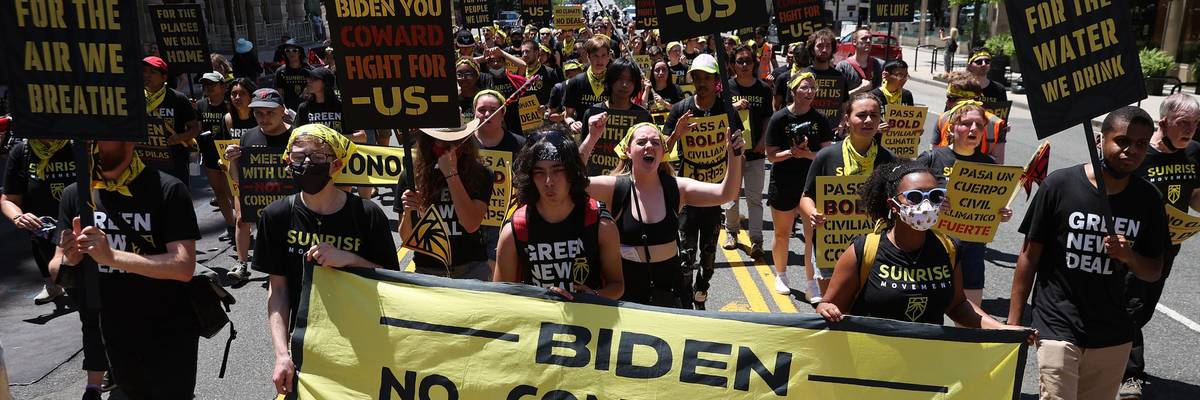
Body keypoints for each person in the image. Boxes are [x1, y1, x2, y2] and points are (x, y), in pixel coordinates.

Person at [1009, 107, 1167, 400]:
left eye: (1141, 144)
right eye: (1122, 141)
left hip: (1112, 331)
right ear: (1099, 140)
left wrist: (1128, 256)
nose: (1131, 150)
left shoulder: (1149, 199)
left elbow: (1153, 270)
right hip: (1057, 321)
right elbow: (1029, 256)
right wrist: (1014, 322)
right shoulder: (1059, 185)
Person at [255, 124, 399, 397]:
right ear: (288, 162)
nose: (307, 164)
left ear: (336, 165)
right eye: (298, 157)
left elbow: (391, 280)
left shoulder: (367, 215)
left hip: (361, 341)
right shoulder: (276, 216)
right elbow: (278, 291)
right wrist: (281, 354)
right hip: (306, 345)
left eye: (317, 158)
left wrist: (349, 259)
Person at [814, 161, 1033, 339]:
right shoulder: (863, 250)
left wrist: (1001, 329)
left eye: (935, 196)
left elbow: (958, 305)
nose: (926, 204)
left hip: (925, 366)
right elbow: (831, 305)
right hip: (871, 365)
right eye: (915, 197)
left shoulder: (949, 248)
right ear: (893, 205)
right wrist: (825, 308)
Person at [51, 140, 200, 399]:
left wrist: (112, 257)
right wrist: (71, 258)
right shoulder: (76, 194)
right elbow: (56, 266)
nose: (93, 146)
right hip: (113, 327)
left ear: (129, 140)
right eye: (87, 140)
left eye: (102, 138)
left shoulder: (167, 188)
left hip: (169, 325)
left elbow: (183, 266)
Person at [580, 123, 743, 307]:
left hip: (670, 293)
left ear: (663, 151)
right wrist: (592, 136)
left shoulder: (677, 188)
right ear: (628, 150)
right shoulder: (615, 188)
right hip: (627, 294)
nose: (649, 146)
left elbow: (725, 194)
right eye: (641, 142)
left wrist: (733, 155)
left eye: (655, 142)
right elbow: (571, 182)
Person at [1120, 94, 1200, 399]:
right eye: (1183, 123)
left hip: (1170, 247)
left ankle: (1112, 351)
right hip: (1134, 247)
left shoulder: (1194, 153)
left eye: (1195, 124)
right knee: (1131, 306)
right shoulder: (1141, 154)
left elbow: (1194, 197)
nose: (1190, 129)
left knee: (1143, 311)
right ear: (1163, 122)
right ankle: (1130, 374)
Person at [494, 129, 624, 300]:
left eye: (557, 170)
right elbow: (499, 297)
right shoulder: (514, 231)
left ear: (572, 171)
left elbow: (617, 285)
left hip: (588, 323)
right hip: (536, 323)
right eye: (539, 172)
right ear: (530, 176)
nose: (549, 182)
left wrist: (592, 297)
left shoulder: (600, 224)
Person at [662, 54, 744, 309]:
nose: (701, 82)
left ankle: (702, 289)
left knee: (708, 258)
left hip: (715, 194)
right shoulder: (680, 109)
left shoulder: (727, 110)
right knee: (685, 256)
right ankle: (686, 298)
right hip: (688, 194)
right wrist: (677, 133)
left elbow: (740, 149)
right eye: (697, 77)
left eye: (707, 77)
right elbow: (662, 148)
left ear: (716, 80)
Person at [798, 93, 897, 300]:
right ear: (847, 119)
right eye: (861, 115)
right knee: (832, 306)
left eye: (874, 115)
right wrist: (813, 213)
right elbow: (806, 197)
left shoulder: (889, 160)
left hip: (874, 248)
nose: (868, 120)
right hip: (831, 245)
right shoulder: (827, 156)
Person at [914, 104, 1013, 307]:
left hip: (973, 250)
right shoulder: (932, 159)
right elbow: (907, 199)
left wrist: (1001, 214)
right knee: (929, 315)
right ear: (951, 128)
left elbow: (992, 206)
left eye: (979, 124)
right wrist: (931, 205)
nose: (973, 129)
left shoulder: (989, 164)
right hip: (934, 246)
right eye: (966, 123)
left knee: (970, 317)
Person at [765, 72, 835, 295]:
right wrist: (791, 152)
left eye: (813, 88)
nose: (809, 92)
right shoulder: (779, 118)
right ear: (793, 91)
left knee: (812, 236)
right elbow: (771, 155)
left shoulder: (820, 119)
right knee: (782, 233)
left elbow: (826, 153)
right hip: (784, 182)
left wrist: (805, 154)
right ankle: (781, 274)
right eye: (804, 87)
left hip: (811, 185)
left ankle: (811, 283)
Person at [396, 120, 494, 280]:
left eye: (455, 140)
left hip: (471, 268)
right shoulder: (411, 176)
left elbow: (470, 224)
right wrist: (408, 212)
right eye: (443, 140)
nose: (450, 146)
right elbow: (407, 238)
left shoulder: (481, 173)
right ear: (430, 141)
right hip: (428, 270)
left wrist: (451, 174)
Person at [224, 88, 295, 282]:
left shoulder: (296, 136)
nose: (264, 118)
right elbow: (237, 178)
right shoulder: (248, 136)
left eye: (270, 112)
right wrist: (232, 160)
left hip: (286, 193)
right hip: (257, 191)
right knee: (241, 218)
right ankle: (242, 262)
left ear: (282, 111)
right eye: (258, 113)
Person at [722, 44, 773, 259]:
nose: (744, 65)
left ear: (754, 64)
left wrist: (763, 141)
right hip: (733, 153)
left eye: (748, 61)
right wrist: (734, 107)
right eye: (740, 61)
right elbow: (718, 114)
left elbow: (767, 118)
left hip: (756, 154)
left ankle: (756, 240)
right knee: (731, 196)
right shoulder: (727, 88)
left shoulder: (763, 89)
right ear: (733, 65)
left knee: (754, 198)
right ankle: (731, 232)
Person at [472, 90, 527, 269]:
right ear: (474, 112)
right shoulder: (463, 144)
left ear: (503, 114)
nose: (487, 114)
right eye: (482, 109)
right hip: (472, 218)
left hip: (505, 220)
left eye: (493, 110)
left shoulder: (520, 144)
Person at [581, 59, 653, 176]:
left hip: (631, 183)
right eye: (620, 79)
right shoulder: (592, 114)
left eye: (630, 80)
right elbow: (581, 155)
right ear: (610, 80)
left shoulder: (643, 117)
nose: (624, 84)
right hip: (597, 183)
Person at [139, 56, 200, 186]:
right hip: (144, 160)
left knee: (176, 200)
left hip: (174, 161)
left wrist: (179, 138)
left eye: (152, 72)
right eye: (144, 71)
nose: (146, 75)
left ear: (164, 77)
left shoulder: (178, 99)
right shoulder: (136, 98)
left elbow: (195, 128)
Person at [195, 72, 237, 242]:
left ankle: (243, 226)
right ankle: (231, 226)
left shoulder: (230, 105)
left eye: (212, 84)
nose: (209, 87)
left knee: (232, 192)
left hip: (229, 154)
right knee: (219, 193)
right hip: (210, 154)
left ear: (222, 86)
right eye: (205, 84)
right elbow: (197, 128)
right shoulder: (200, 105)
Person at [933, 72, 1008, 163]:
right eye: (948, 98)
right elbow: (933, 154)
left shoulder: (995, 123)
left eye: (952, 99)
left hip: (978, 175)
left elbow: (998, 163)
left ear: (970, 100)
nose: (947, 102)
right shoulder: (943, 117)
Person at [564, 35, 615, 135]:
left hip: (609, 137)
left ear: (609, 56)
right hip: (584, 135)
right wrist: (572, 124)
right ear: (588, 56)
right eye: (595, 56)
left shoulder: (615, 81)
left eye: (603, 55)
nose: (599, 60)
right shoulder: (575, 82)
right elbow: (567, 115)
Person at [803, 29, 850, 129]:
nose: (824, 50)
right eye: (820, 46)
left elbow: (844, 107)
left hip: (831, 132)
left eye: (828, 46)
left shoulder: (840, 78)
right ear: (812, 49)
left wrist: (842, 123)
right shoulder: (801, 76)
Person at [836, 28, 883, 95]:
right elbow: (838, 96)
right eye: (864, 38)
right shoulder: (843, 67)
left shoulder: (879, 65)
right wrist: (860, 89)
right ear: (854, 42)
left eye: (870, 38)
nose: (868, 41)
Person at [273, 41, 312, 111]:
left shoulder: (310, 70)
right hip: (290, 110)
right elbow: (280, 94)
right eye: (287, 51)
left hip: (309, 108)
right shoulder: (280, 71)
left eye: (294, 50)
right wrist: (283, 108)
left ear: (299, 53)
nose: (291, 53)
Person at [772, 43, 808, 111]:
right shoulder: (783, 77)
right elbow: (776, 106)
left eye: (804, 56)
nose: (801, 59)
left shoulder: (813, 77)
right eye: (798, 56)